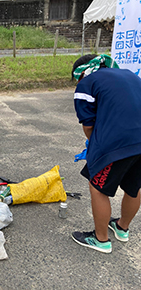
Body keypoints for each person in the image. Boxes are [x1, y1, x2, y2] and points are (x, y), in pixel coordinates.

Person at [70, 54, 141, 253]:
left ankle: (101, 240)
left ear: (81, 73)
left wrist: (95, 147)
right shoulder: (128, 75)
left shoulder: (87, 83)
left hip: (116, 142)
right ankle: (122, 228)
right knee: (133, 186)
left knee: (97, 188)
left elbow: (88, 125)